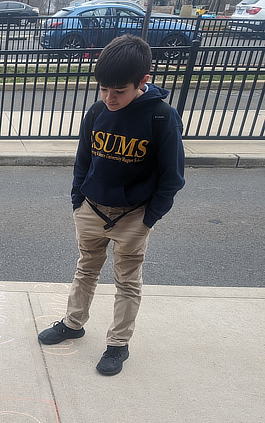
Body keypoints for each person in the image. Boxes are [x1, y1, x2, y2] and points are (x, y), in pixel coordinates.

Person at [37, 35, 185, 376]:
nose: (109, 97)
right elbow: (83, 160)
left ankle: (118, 345)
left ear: (143, 81)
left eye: (118, 90)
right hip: (91, 208)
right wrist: (78, 200)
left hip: (134, 216)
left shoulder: (162, 118)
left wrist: (149, 219)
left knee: (127, 281)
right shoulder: (97, 111)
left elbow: (172, 177)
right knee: (86, 269)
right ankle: (73, 323)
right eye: (103, 88)